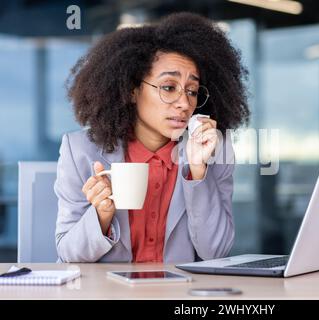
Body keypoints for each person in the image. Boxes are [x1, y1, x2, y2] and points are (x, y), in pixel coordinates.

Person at [54, 12, 250, 263]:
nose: (184, 103)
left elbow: (216, 251)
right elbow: (68, 253)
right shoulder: (80, 151)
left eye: (192, 91)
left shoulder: (214, 150)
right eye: (169, 87)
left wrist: (199, 173)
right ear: (133, 90)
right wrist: (102, 216)